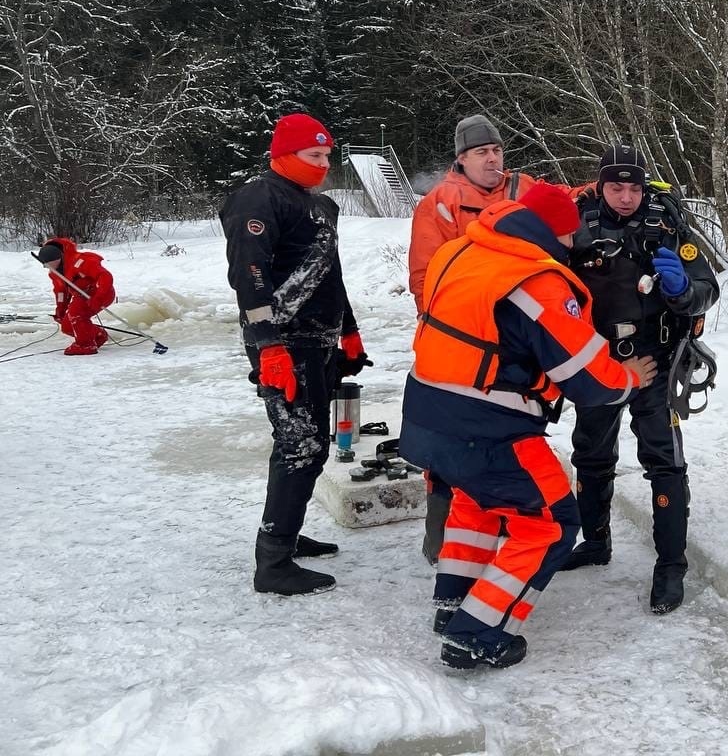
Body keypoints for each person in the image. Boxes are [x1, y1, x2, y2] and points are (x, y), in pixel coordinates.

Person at [399, 181, 658, 670]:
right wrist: (629, 378)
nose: (572, 250)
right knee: (552, 523)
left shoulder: (460, 250)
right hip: (489, 426)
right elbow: (586, 379)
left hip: (428, 412)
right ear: (554, 234)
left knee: (478, 503)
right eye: (569, 240)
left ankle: (453, 600)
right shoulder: (536, 281)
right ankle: (477, 634)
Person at [561, 144, 720, 614]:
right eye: (616, 187)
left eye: (634, 187)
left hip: (654, 359)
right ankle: (595, 541)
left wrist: (682, 289)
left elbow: (706, 290)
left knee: (665, 462)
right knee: (590, 453)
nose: (626, 197)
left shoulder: (668, 224)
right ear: (600, 184)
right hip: (598, 362)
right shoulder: (576, 225)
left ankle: (671, 566)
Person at [220, 111, 372, 596]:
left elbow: (332, 273)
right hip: (284, 342)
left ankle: (284, 532)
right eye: (313, 155)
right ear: (283, 155)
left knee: (310, 445)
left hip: (321, 338)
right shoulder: (257, 198)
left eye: (328, 155)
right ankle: (274, 562)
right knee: (299, 446)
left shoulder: (322, 207)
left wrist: (349, 331)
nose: (323, 164)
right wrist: (268, 347)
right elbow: (250, 274)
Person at [407, 115, 536, 565]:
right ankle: (440, 541)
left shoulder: (523, 191)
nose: (492, 158)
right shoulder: (440, 204)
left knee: (509, 439)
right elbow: (425, 277)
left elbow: (564, 205)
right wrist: (449, 333)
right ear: (461, 159)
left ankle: (504, 534)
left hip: (515, 343)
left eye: (497, 150)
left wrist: (602, 187)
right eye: (482, 152)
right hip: (459, 344)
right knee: (448, 444)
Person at [35, 238, 115, 355]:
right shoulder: (55, 273)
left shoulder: (82, 261)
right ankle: (98, 335)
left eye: (48, 264)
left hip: (100, 293)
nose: (47, 267)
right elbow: (61, 292)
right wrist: (60, 310)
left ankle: (86, 345)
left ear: (58, 258)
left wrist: (98, 297)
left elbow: (105, 276)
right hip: (80, 296)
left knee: (76, 314)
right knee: (67, 326)